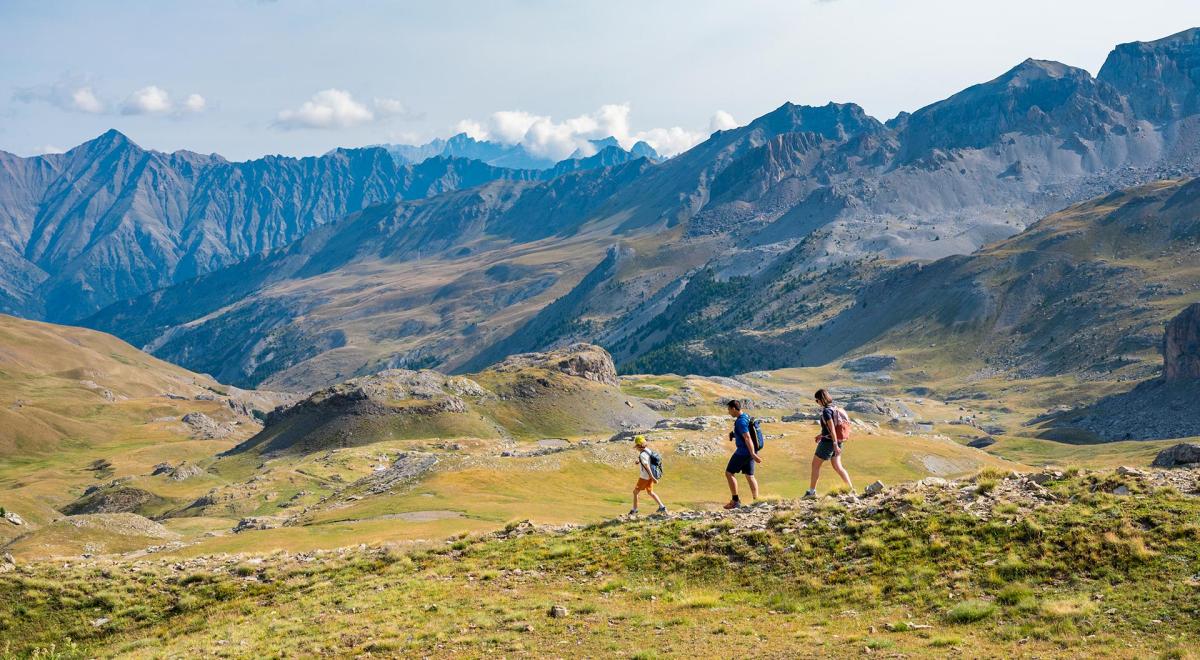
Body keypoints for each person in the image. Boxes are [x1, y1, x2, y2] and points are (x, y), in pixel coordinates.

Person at [806, 389, 854, 498]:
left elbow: (832, 429)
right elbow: (833, 429)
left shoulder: (826, 411)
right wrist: (821, 435)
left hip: (828, 443)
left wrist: (834, 445)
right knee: (838, 466)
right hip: (838, 441)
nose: (817, 402)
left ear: (821, 399)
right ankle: (851, 489)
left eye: (817, 400)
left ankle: (812, 492)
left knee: (815, 465)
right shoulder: (834, 408)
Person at [723, 400, 761, 509]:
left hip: (743, 452)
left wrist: (752, 453)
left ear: (734, 409)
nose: (729, 412)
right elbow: (746, 433)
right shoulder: (746, 416)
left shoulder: (740, 422)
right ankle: (757, 500)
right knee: (749, 475)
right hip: (749, 452)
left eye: (729, 410)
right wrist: (734, 434)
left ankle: (735, 501)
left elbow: (747, 437)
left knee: (729, 473)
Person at [629, 435, 667, 517]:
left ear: (639, 446)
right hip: (649, 477)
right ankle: (662, 507)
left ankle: (634, 510)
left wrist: (653, 478)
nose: (636, 448)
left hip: (644, 477)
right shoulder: (647, 450)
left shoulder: (642, 455)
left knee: (635, 492)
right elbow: (648, 459)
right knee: (650, 492)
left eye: (636, 446)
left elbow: (647, 466)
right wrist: (639, 461)